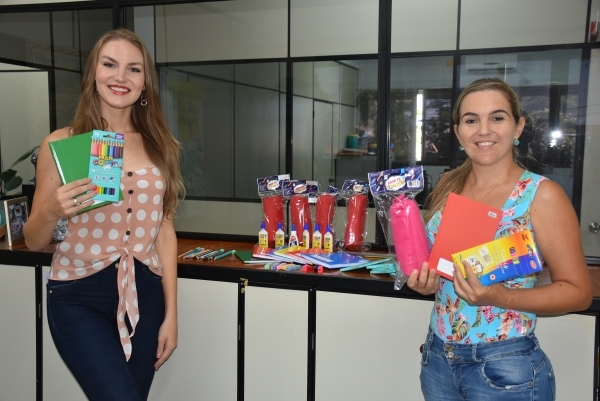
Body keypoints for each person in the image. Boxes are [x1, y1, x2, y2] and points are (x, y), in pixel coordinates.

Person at [23, 28, 184, 401]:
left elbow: (164, 231)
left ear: (145, 83)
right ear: (93, 73)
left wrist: (172, 314)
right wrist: (52, 209)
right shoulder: (63, 143)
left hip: (145, 293)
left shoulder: (162, 146)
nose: (120, 77)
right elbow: (33, 240)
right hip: (78, 292)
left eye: (133, 69)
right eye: (110, 64)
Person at [407, 77, 592, 401]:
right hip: (438, 359)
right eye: (471, 120)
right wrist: (425, 283)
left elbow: (578, 293)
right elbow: (441, 267)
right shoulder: (448, 185)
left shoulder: (541, 195)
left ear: (518, 127)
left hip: (504, 367)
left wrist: (498, 296)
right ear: (458, 132)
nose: (483, 130)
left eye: (497, 117)